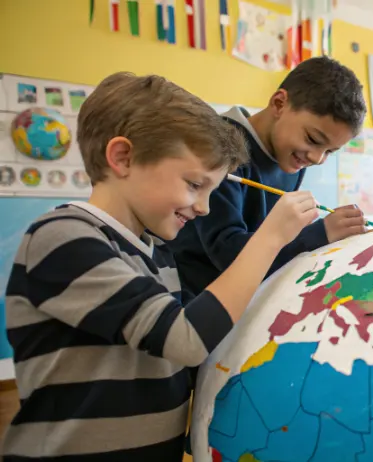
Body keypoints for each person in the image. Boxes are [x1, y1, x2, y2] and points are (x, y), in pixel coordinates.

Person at [2, 72, 320, 461]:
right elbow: (184, 339)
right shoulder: (62, 237)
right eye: (193, 184)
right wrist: (270, 239)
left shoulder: (156, 252)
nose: (203, 207)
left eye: (210, 190)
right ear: (123, 158)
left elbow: (187, 354)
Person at [168, 56, 369, 299]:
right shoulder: (221, 149)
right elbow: (228, 254)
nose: (317, 158)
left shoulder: (292, 157)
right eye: (313, 140)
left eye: (330, 151)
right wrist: (318, 233)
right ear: (279, 103)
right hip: (194, 301)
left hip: (247, 299)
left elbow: (269, 240)